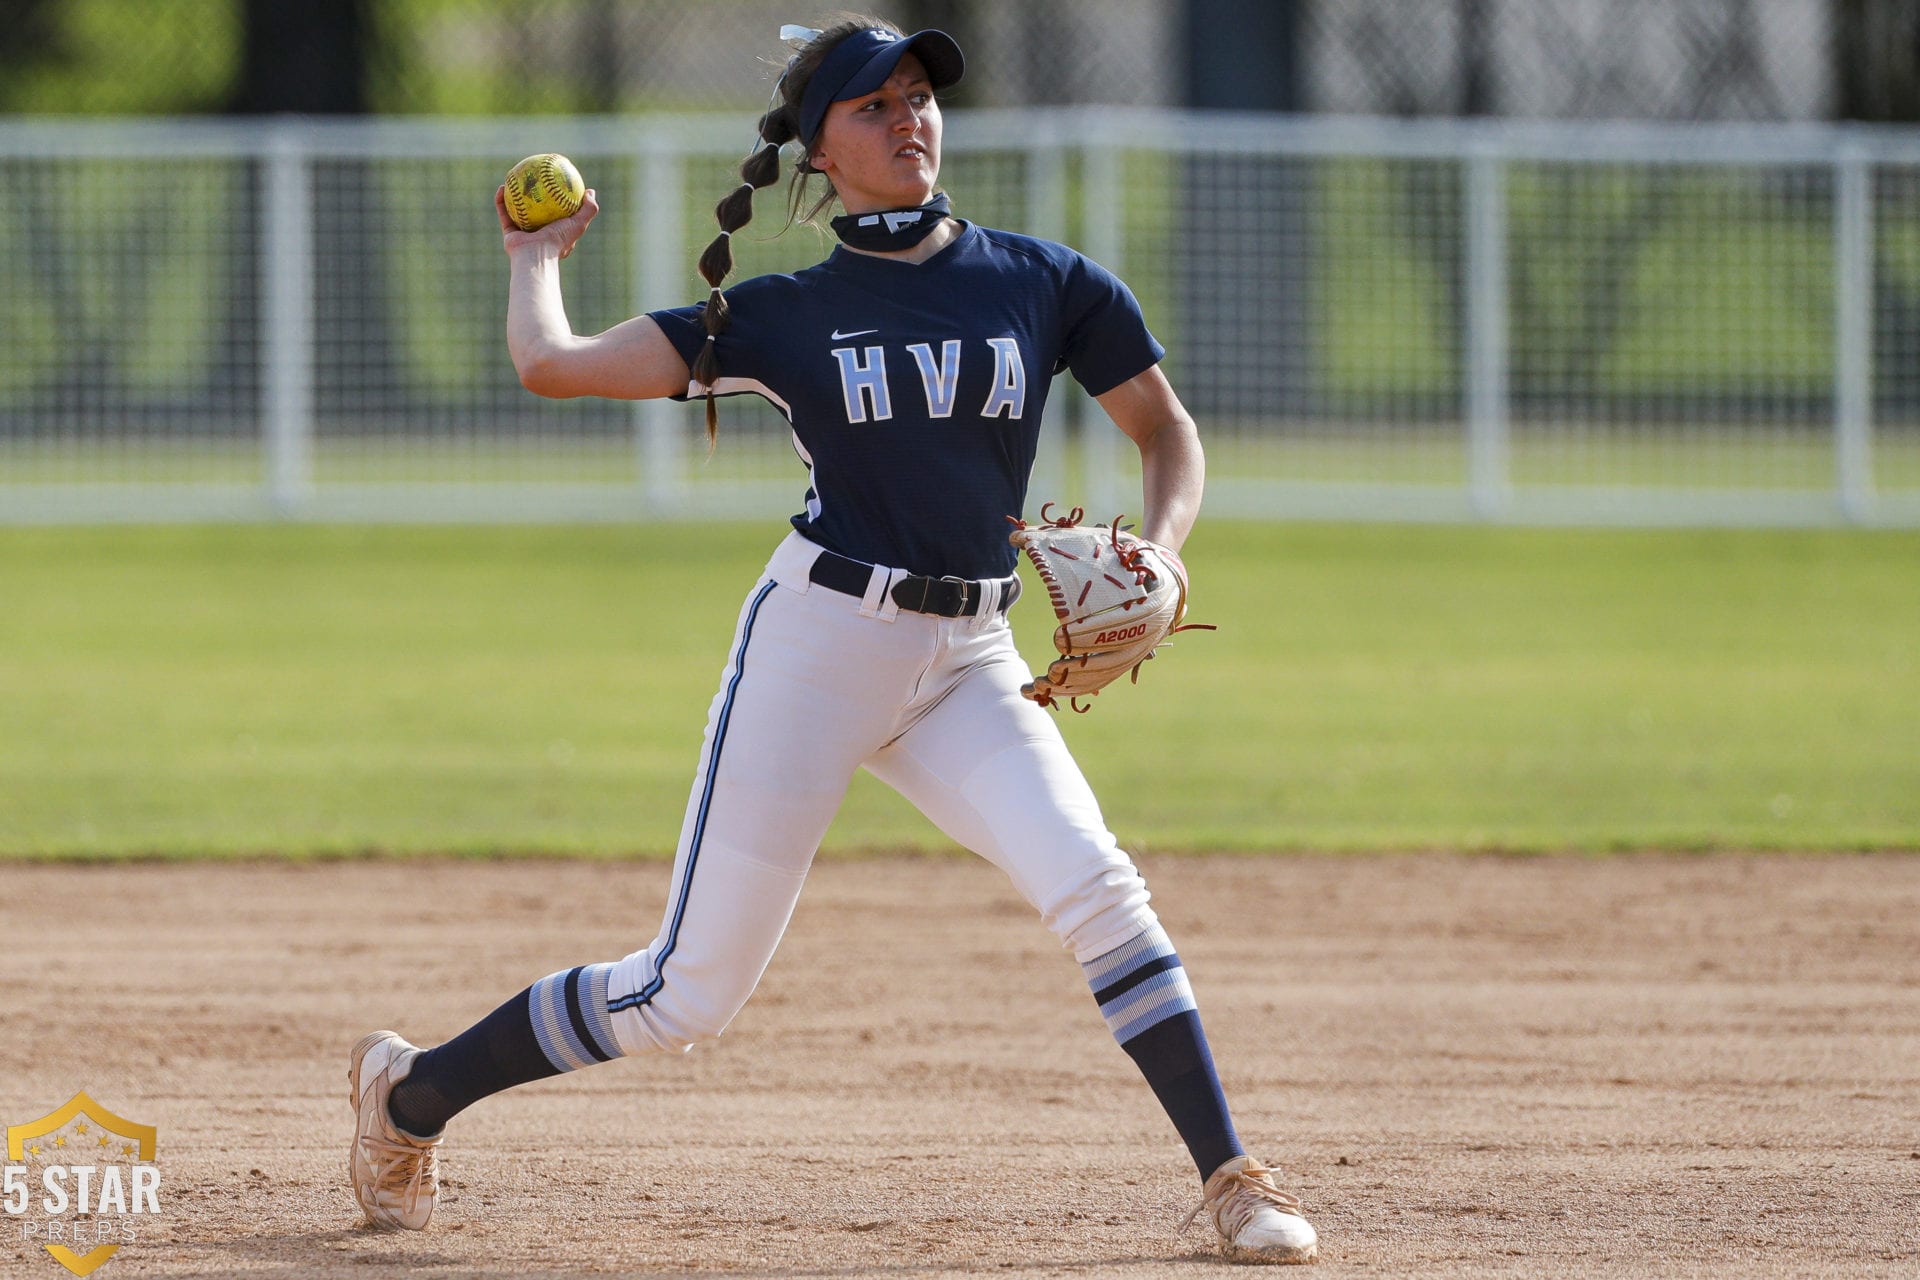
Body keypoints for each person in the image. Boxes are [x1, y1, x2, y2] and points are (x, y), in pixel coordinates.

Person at [347, 16, 1316, 1266]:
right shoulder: (783, 315)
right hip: (819, 644)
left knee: (1101, 889)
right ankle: (407, 1095)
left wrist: (1168, 552)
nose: (908, 116)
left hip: (970, 659)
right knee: (685, 993)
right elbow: (553, 364)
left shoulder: (1043, 278)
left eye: (919, 94)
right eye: (873, 104)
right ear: (819, 147)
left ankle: (1233, 1178)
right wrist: (532, 256)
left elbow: (1166, 431)